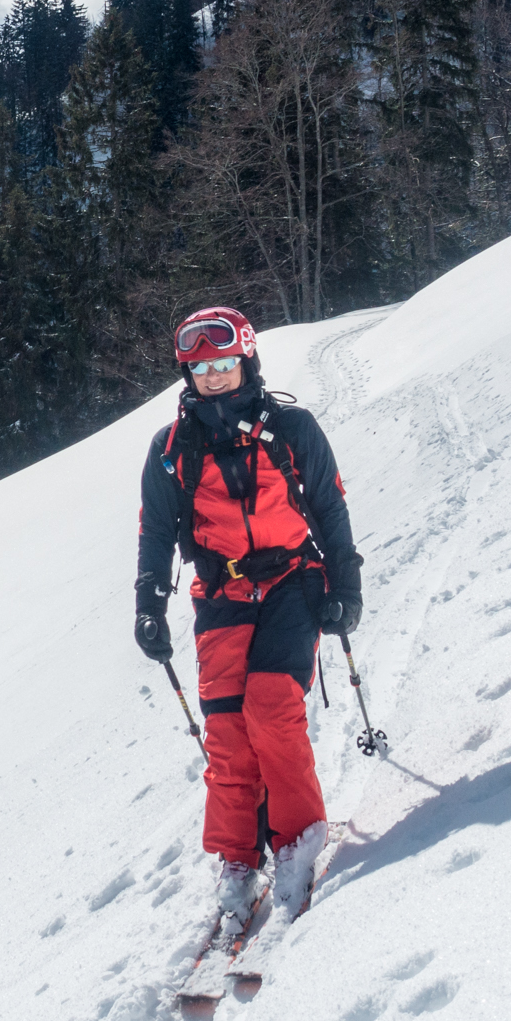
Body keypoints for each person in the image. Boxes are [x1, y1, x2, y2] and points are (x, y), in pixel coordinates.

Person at [132, 306, 363, 922]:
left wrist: (348, 584)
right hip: (222, 593)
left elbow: (330, 508)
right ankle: (237, 859)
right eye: (201, 367)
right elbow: (155, 532)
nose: (213, 376)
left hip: (293, 581)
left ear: (247, 361)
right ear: (188, 372)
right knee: (229, 732)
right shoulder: (172, 448)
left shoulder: (292, 427)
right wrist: (148, 604)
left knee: (271, 707)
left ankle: (296, 839)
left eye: (225, 363)